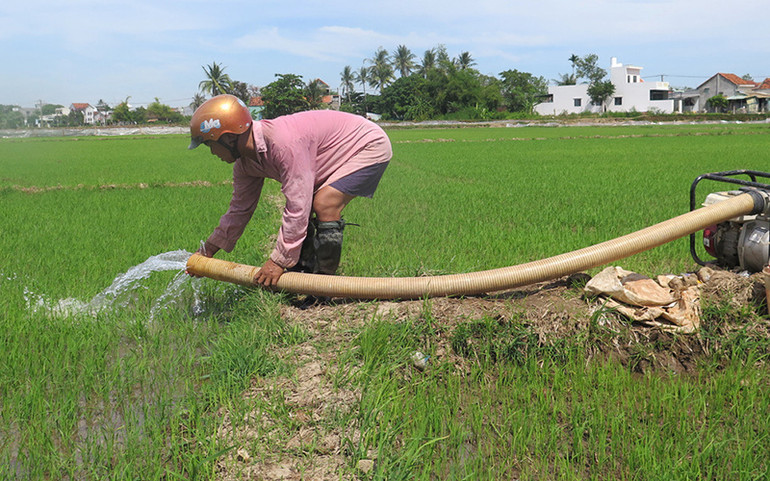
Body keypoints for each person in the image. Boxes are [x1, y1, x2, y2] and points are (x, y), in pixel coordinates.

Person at [188, 94, 392, 287]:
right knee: (311, 203)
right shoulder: (244, 165)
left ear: (229, 138)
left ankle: (324, 286)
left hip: (366, 144)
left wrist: (278, 261)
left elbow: (297, 205)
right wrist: (207, 252)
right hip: (332, 151)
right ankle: (302, 274)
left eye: (210, 145)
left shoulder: (283, 143)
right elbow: (239, 210)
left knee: (323, 203)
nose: (213, 153)